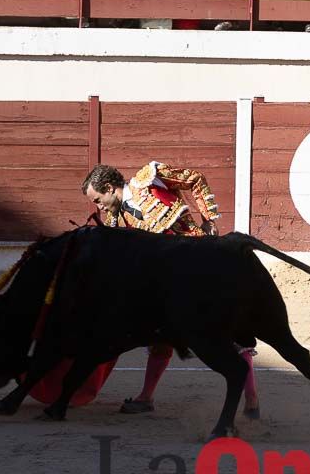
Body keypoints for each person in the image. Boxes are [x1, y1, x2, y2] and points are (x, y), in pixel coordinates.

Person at [79, 162, 252, 418]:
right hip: (168, 282)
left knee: (229, 332)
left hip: (200, 264)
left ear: (109, 188)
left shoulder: (149, 180)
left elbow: (194, 178)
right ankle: (146, 397)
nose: (99, 207)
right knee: (159, 335)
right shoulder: (116, 222)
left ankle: (252, 402)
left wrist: (209, 220)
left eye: (98, 200)